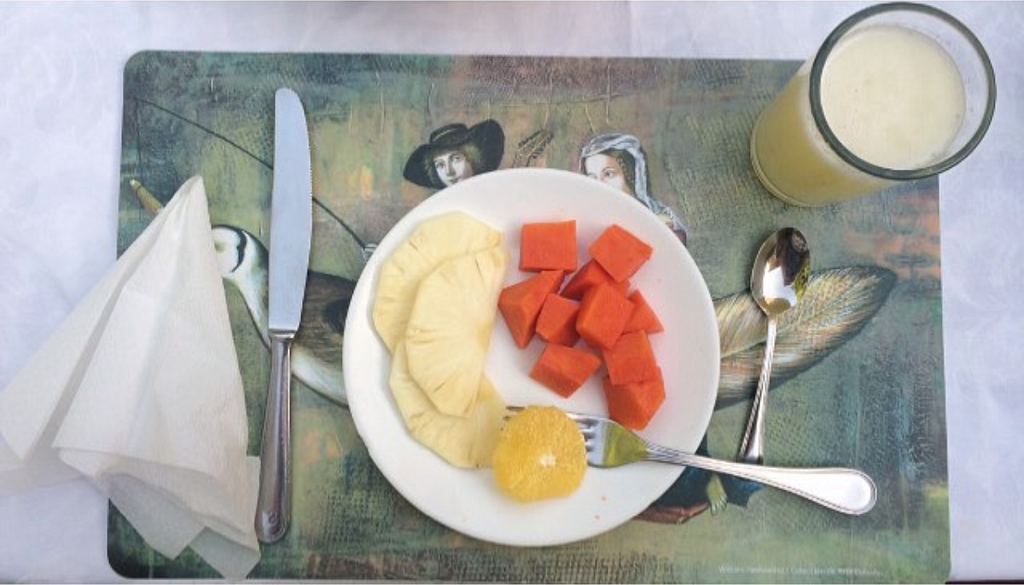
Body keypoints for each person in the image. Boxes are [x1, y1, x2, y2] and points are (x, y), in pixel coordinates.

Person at [579, 133, 688, 246]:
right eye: (592, 178)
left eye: (609, 174)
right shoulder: (587, 219)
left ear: (631, 175)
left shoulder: (661, 221)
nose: (600, 184)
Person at [403, 119, 505, 190]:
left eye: (456, 159)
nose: (449, 172)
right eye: (440, 165)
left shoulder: (495, 190)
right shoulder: (440, 207)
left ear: (472, 158)